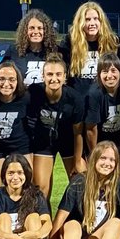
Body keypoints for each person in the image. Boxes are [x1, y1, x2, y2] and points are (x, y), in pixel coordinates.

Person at [49, 141, 120, 239]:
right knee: (72, 223)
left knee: (116, 222)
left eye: (112, 160)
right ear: (94, 159)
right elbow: (60, 218)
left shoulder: (118, 185)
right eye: (103, 158)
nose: (107, 163)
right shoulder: (79, 181)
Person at [26, 53, 86, 196]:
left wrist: (77, 160)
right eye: (50, 74)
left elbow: (78, 133)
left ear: (65, 77)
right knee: (40, 188)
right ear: (43, 76)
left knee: (81, 182)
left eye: (58, 74)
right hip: (43, 142)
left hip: (69, 141)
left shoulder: (75, 98)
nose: (54, 79)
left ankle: (82, 217)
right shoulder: (33, 92)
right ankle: (44, 217)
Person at [0, 62, 31, 194]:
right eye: (2, 79)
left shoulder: (26, 97)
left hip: (20, 146)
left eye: (11, 79)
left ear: (18, 81)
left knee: (24, 190)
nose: (6, 84)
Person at [84, 52, 120, 171]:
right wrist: (95, 154)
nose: (109, 75)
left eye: (113, 71)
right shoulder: (94, 93)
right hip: (99, 140)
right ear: (99, 75)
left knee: (119, 178)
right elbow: (91, 129)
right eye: (104, 71)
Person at [66, 0, 120, 93]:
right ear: (80, 22)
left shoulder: (112, 42)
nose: (92, 23)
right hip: (79, 99)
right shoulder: (70, 43)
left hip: (104, 97)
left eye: (96, 19)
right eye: (87, 19)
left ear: (101, 21)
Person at [3, 9, 59, 87]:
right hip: (21, 97)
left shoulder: (55, 51)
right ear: (25, 31)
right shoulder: (14, 50)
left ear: (46, 31)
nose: (35, 32)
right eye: (32, 28)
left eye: (40, 28)